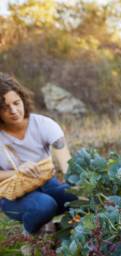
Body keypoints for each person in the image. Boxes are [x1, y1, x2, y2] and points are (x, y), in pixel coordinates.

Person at [0, 73, 77, 242]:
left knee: (79, 195)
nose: (13, 111)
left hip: (47, 183)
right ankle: (31, 234)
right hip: (13, 195)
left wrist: (78, 185)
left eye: (16, 103)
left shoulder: (43, 124)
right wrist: (17, 172)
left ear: (23, 99)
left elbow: (67, 164)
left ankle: (69, 234)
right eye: (5, 107)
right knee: (44, 205)